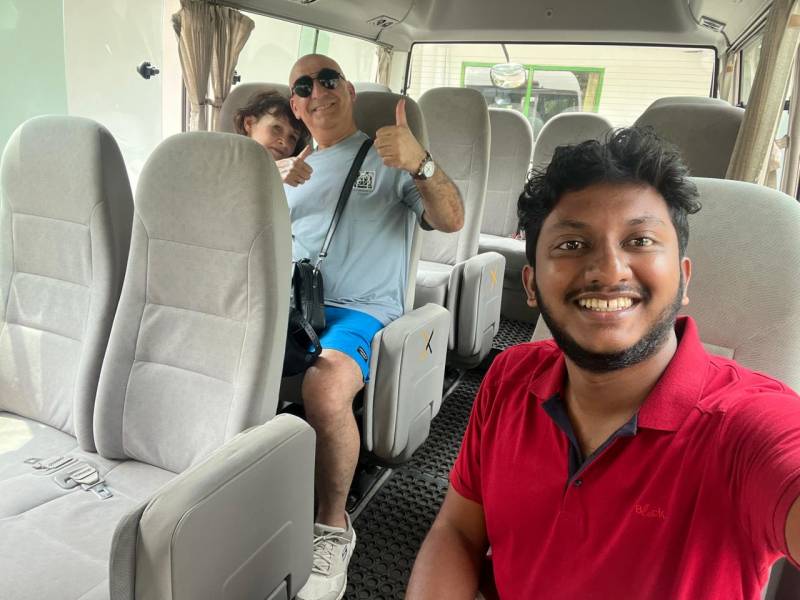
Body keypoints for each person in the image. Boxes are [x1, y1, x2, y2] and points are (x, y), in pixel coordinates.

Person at [406, 127, 800, 599]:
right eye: (572, 245)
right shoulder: (510, 375)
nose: (610, 270)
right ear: (531, 285)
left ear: (684, 279)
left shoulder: (743, 426)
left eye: (640, 240)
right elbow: (458, 530)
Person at [284, 54, 464, 600]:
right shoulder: (287, 170)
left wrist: (421, 163)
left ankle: (332, 527)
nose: (318, 91)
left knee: (324, 385)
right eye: (304, 86)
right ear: (295, 106)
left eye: (328, 79)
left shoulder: (388, 159)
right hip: (292, 306)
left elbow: (451, 219)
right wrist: (270, 183)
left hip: (360, 310)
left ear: (350, 92)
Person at [233, 90, 313, 186]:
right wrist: (270, 174)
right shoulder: (224, 161)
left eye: (292, 137)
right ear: (249, 123)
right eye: (276, 128)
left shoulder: (299, 182)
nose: (284, 142)